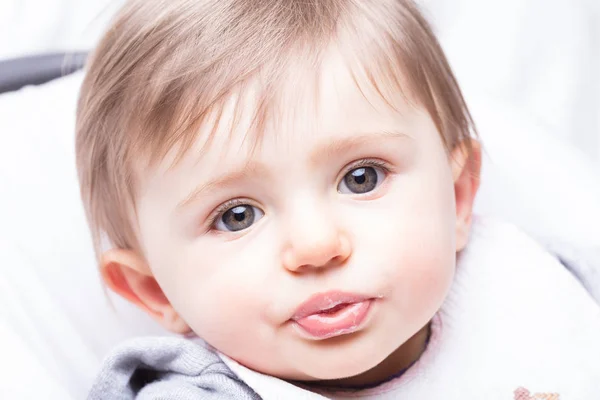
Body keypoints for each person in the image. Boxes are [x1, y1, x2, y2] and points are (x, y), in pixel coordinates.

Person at [76, 0, 600, 398]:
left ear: (458, 198)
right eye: (237, 216)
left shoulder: (541, 289)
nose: (317, 244)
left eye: (362, 178)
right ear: (155, 292)